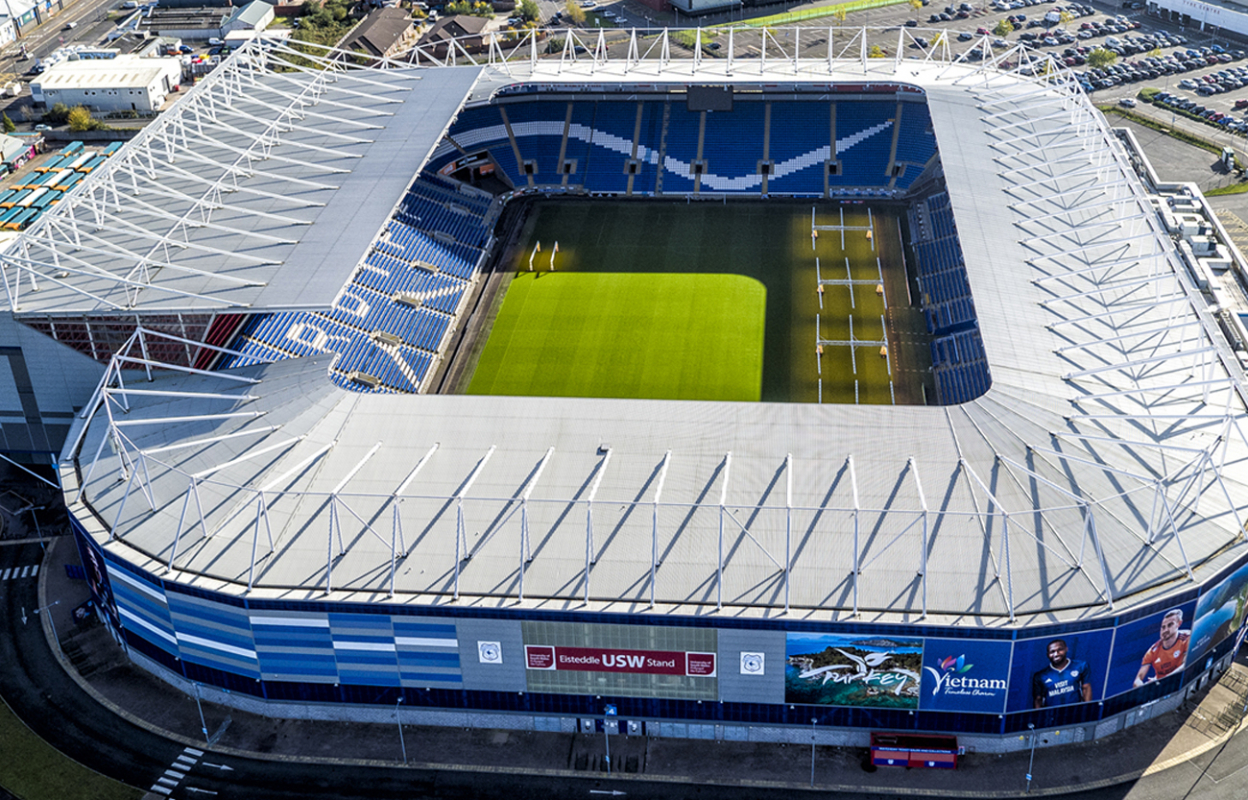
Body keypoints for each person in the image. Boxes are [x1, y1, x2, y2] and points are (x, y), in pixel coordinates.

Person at [1134, 608, 1189, 687]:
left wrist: (1162, 681)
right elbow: (1138, 679)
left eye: (1170, 625)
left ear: (1179, 624)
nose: (1165, 630)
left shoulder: (1187, 638)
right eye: (1163, 627)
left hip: (1179, 683)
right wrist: (1144, 687)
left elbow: (1185, 665)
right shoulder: (1153, 651)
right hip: (1161, 689)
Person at [1032, 639, 1093, 708]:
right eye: (1052, 652)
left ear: (1066, 649)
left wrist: (1087, 710)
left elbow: (1086, 688)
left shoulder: (1081, 666)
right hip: (1052, 715)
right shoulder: (1040, 676)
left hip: (1076, 712)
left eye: (1060, 650)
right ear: (1048, 655)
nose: (1056, 654)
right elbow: (1038, 699)